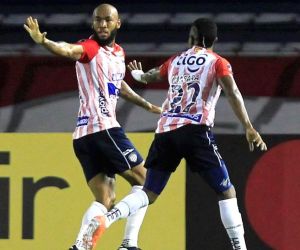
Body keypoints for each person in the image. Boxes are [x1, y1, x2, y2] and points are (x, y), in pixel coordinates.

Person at [67, 18, 268, 250]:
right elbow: (232, 91)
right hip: (195, 131)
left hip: (165, 133)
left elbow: (150, 76)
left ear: (191, 37)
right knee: (227, 190)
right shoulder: (218, 62)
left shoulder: (175, 61)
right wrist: (248, 126)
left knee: (149, 191)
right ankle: (239, 247)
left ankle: (108, 219)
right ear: (214, 40)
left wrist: (139, 75)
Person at [24, 4, 162, 250]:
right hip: (103, 128)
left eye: (107, 20)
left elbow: (118, 85)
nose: (102, 24)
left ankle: (80, 246)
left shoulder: (118, 53)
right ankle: (129, 244)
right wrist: (44, 42)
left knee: (105, 199)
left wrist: (146, 105)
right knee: (147, 182)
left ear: (118, 23)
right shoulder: (90, 48)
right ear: (92, 24)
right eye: (98, 20)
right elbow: (68, 50)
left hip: (84, 136)